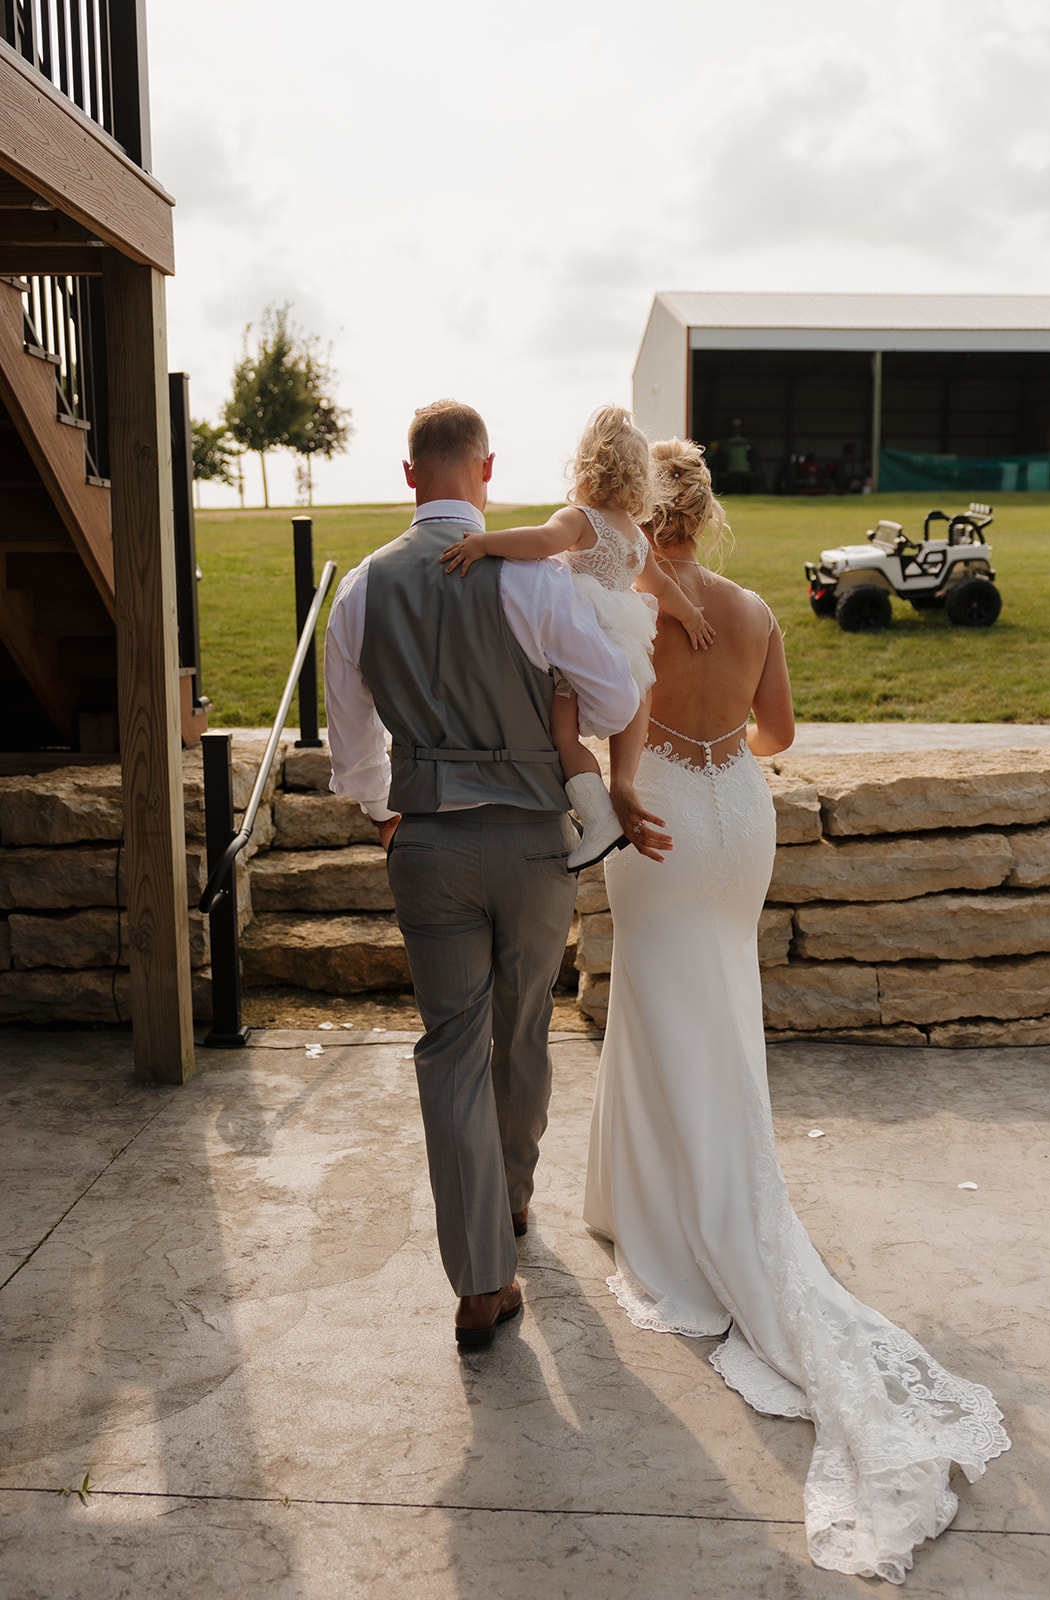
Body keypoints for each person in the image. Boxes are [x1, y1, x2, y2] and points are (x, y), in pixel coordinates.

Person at [584, 437, 1010, 1582]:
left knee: (657, 993)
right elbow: (778, 738)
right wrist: (718, 734)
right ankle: (683, 1189)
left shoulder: (618, 602)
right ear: (706, 513)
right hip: (734, 816)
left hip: (659, 814)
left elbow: (591, 717)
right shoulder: (756, 608)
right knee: (711, 999)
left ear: (636, 513)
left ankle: (674, 1219)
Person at [324, 399, 651, 1351]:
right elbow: (619, 694)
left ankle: (478, 1280)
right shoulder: (534, 581)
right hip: (531, 846)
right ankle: (509, 1197)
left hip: (426, 843)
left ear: (408, 474)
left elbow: (352, 745)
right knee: (521, 1028)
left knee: (449, 1049)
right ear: (488, 470)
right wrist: (555, 719)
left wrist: (387, 814)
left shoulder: (360, 591)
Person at [440, 405, 713, 872]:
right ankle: (618, 785)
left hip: (584, 633)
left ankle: (597, 818)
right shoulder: (635, 536)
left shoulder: (580, 518)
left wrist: (485, 543)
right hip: (624, 637)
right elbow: (660, 587)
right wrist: (690, 617)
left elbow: (541, 542)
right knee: (630, 699)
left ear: (587, 467)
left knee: (563, 733)